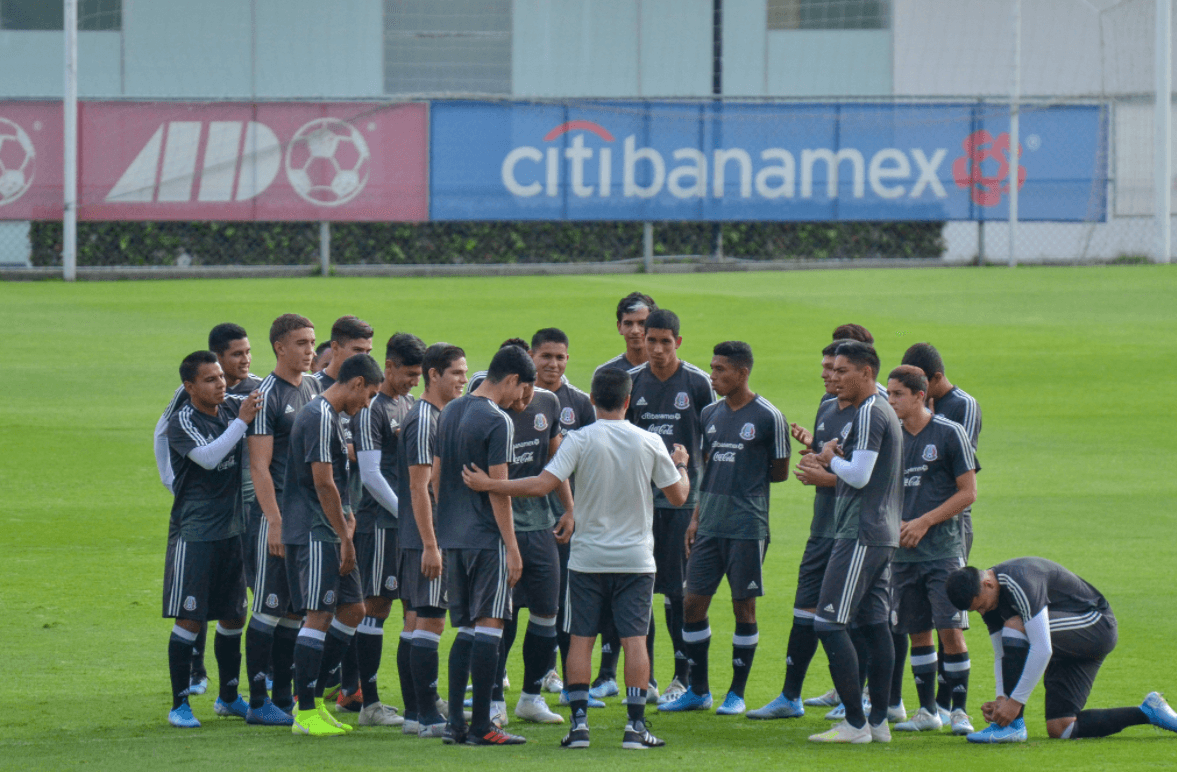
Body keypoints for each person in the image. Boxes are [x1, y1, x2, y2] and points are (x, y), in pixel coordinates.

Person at [462, 368, 691, 750]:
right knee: (635, 640)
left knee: (581, 640)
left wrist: (491, 484)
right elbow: (679, 496)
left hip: (586, 559)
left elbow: (542, 484)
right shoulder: (649, 441)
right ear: (628, 400)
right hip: (635, 560)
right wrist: (680, 464)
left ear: (593, 400)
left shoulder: (580, 439)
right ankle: (635, 728)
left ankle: (580, 727)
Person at [658, 342, 789, 716]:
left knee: (743, 606)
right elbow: (708, 468)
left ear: (742, 373)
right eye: (712, 368)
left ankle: (736, 694)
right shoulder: (710, 414)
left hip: (747, 526)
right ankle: (698, 691)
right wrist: (696, 517)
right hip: (709, 525)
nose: (713, 376)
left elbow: (779, 471)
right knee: (692, 602)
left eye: (720, 370)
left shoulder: (769, 416)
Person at [946, 559, 1177, 743]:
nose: (982, 612)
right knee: (1062, 728)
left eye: (981, 606)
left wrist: (1013, 704)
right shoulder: (989, 599)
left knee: (1016, 626)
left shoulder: (1019, 579)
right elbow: (1001, 653)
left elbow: (1042, 648)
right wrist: (1001, 699)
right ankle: (1149, 711)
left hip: (1096, 625)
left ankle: (1014, 726)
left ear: (988, 584)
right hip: (1068, 644)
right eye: (976, 611)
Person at [434, 345, 535, 746]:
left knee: (466, 629)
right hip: (486, 539)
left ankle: (454, 725)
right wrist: (512, 547)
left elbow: (436, 477)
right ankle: (481, 726)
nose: (520, 400)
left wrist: (448, 520)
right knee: (491, 625)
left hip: (453, 538)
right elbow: (499, 490)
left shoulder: (449, 411)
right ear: (512, 379)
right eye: (521, 390)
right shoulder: (498, 420)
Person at [802, 341, 903, 744]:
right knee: (875, 625)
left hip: (860, 531)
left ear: (866, 373)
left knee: (828, 623)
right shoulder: (882, 410)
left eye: (843, 371)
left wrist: (829, 460)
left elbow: (859, 476)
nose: (834, 377)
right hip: (881, 533)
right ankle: (878, 722)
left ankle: (856, 724)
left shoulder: (869, 412)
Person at [154, 323, 261, 696]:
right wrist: (171, 481)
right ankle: (182, 698)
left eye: (221, 378)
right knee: (191, 615)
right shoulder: (184, 416)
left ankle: (229, 697)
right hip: (196, 530)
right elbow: (207, 457)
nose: (221, 384)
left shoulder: (236, 402)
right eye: (211, 379)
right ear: (190, 386)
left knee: (234, 614)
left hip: (233, 526)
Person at [749, 340, 851, 720]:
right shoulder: (827, 405)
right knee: (804, 609)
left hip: (853, 531)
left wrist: (824, 477)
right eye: (825, 366)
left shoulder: (873, 411)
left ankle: (855, 700)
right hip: (822, 526)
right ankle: (790, 697)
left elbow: (875, 477)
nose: (826, 374)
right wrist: (813, 454)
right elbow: (831, 459)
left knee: (848, 617)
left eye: (834, 368)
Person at [284, 353, 384, 737]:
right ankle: (304, 711)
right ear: (356, 383)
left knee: (354, 609)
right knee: (318, 615)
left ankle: (313, 700)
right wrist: (345, 536)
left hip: (331, 526)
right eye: (369, 395)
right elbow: (323, 482)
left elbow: (336, 481)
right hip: (315, 529)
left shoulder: (333, 416)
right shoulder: (319, 416)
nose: (368, 404)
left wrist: (348, 515)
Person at [626, 308, 715, 704]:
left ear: (677, 342)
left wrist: (701, 506)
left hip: (683, 502)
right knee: (641, 587)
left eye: (665, 342)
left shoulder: (697, 382)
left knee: (678, 592)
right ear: (642, 341)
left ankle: (682, 676)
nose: (658, 349)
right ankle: (645, 679)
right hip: (641, 502)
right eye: (652, 341)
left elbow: (711, 446)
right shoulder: (632, 381)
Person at [883, 365, 977, 736]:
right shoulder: (889, 436)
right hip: (902, 554)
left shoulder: (950, 433)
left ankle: (959, 712)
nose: (890, 401)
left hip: (943, 551)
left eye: (897, 394)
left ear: (920, 395)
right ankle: (926, 711)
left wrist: (924, 521)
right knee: (917, 631)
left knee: (950, 630)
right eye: (888, 394)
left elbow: (968, 493)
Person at [244, 314, 321, 725]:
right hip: (277, 518)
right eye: (301, 343)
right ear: (280, 347)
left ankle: (282, 699)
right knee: (269, 607)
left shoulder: (313, 387)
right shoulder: (266, 396)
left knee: (294, 610)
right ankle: (258, 703)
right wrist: (274, 520)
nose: (310, 350)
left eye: (312, 342)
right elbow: (259, 466)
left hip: (307, 518)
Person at [901, 341, 983, 717]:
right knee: (919, 621)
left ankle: (953, 706)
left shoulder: (960, 412)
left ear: (931, 381)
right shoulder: (901, 423)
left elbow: (962, 480)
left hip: (949, 529)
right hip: (910, 533)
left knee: (949, 621)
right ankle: (931, 708)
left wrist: (926, 519)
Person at [351, 332, 426, 727]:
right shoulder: (371, 410)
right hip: (380, 524)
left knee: (415, 608)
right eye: (409, 374)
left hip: (406, 524)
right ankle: (369, 704)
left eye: (419, 375)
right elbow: (370, 476)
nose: (414, 381)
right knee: (376, 608)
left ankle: (421, 700)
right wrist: (406, 512)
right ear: (389, 366)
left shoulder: (409, 405)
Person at [397, 343, 468, 737]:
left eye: (464, 372)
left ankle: (414, 714)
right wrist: (431, 544)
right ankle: (427, 716)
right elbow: (419, 486)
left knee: (415, 621)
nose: (463, 380)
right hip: (427, 537)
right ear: (433, 375)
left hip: (420, 537)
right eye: (456, 373)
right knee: (430, 620)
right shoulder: (425, 420)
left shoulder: (434, 414)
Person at [311, 316, 375, 709]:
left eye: (368, 351)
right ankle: (301, 697)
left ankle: (343, 688)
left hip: (351, 513)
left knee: (354, 605)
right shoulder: (315, 397)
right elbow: (320, 473)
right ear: (335, 349)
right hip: (320, 521)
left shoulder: (362, 394)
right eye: (357, 351)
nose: (364, 358)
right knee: (314, 611)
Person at [528, 328, 595, 699]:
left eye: (560, 357)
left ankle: (564, 679)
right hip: (524, 516)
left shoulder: (580, 403)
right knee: (512, 603)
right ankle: (498, 678)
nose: (553, 364)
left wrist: (575, 510)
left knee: (564, 600)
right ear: (532, 357)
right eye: (546, 356)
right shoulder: (517, 396)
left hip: (564, 519)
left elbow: (590, 461)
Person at [594, 292, 657, 375]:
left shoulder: (671, 370)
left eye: (642, 323)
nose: (635, 331)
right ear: (619, 327)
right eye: (628, 323)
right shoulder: (605, 373)